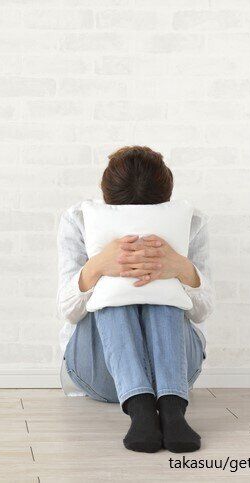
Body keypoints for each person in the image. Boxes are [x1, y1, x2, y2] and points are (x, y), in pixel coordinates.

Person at [56, 146, 214, 453]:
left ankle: (171, 408)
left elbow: (202, 312)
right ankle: (140, 408)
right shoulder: (78, 219)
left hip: (177, 373)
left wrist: (180, 269)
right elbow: (67, 311)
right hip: (100, 372)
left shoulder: (192, 221)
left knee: (158, 279)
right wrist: (98, 267)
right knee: (117, 283)